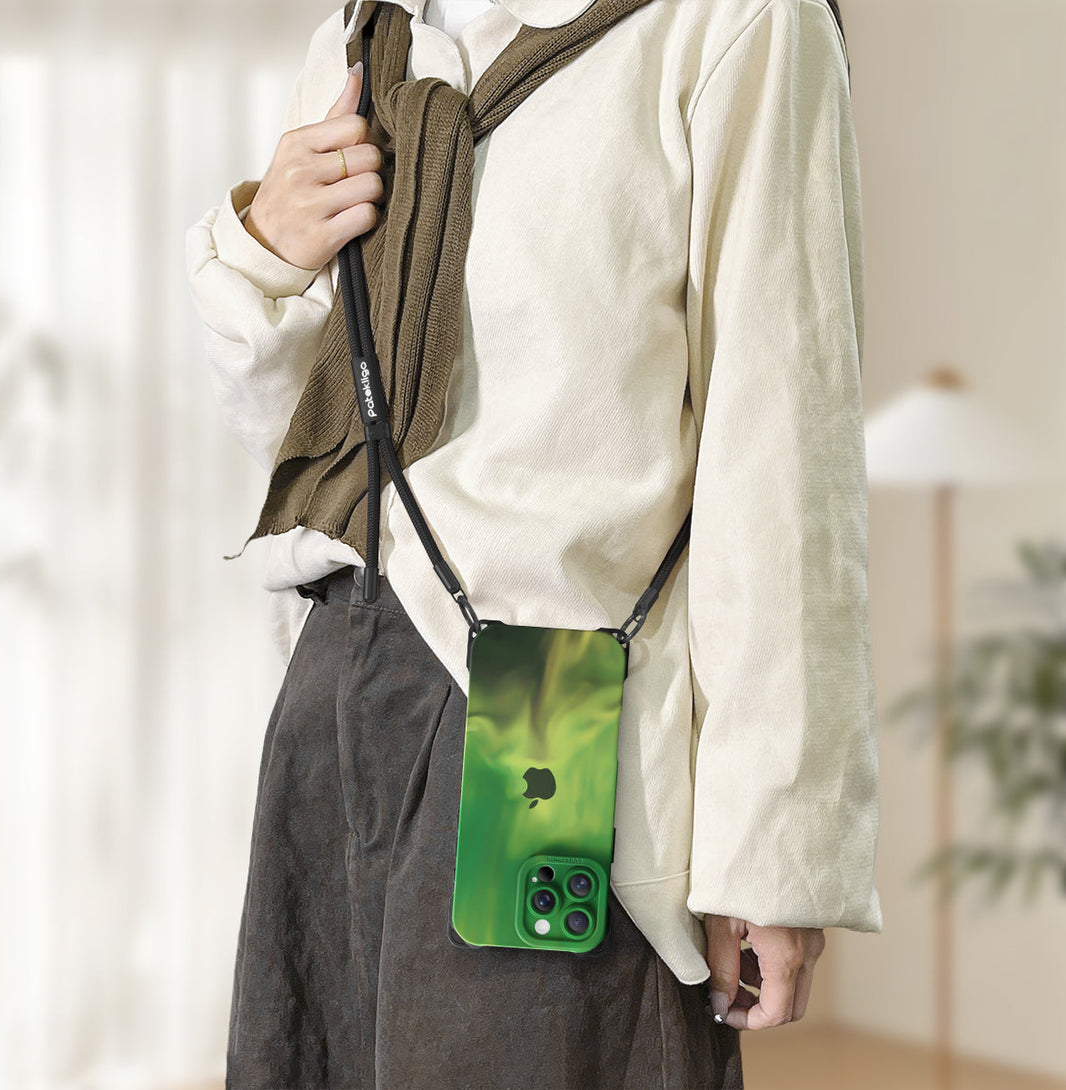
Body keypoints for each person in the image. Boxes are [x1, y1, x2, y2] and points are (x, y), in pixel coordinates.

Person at [185, 0, 880, 1085]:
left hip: (549, 709)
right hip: (332, 690)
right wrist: (262, 256)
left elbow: (785, 445)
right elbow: (310, 448)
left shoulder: (736, 24)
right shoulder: (365, 36)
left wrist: (775, 846)